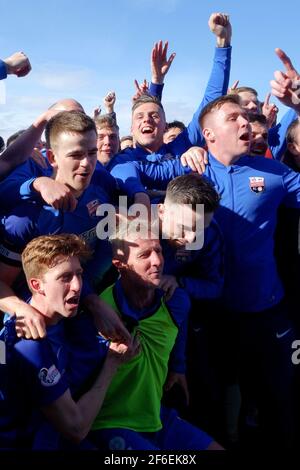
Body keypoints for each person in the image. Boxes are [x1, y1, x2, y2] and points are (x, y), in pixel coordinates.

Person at [87, 219, 223, 450]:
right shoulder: (101, 313)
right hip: (110, 423)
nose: (157, 261)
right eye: (144, 255)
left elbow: (179, 328)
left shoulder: (176, 302)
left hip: (157, 419)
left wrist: (178, 366)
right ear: (120, 264)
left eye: (158, 251)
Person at [0, 110, 130, 344]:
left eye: (92, 153)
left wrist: (92, 300)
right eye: (76, 155)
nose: (87, 164)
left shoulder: (100, 193)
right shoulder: (26, 217)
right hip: (32, 329)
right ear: (52, 157)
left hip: (79, 309)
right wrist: (18, 307)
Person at [0, 234, 138, 449]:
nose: (77, 286)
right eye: (65, 277)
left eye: (79, 274)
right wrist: (113, 364)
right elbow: (76, 429)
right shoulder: (28, 344)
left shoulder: (63, 315)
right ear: (37, 285)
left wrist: (96, 304)